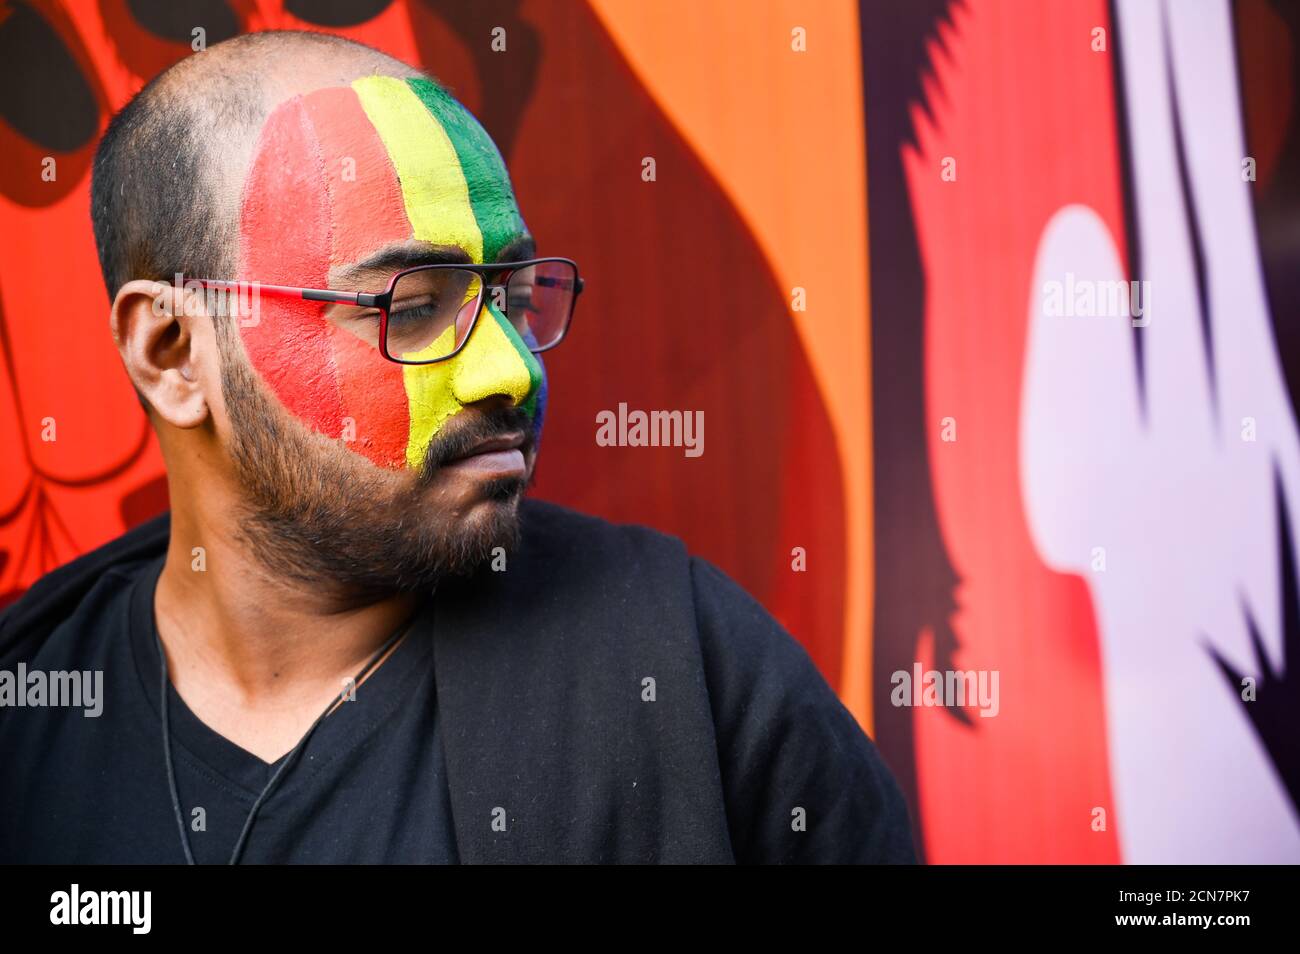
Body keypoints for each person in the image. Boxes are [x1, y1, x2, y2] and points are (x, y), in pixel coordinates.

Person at [0, 30, 914, 864]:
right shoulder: (33, 712)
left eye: (512, 297)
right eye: (409, 303)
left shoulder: (690, 670)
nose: (510, 369)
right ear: (172, 353)